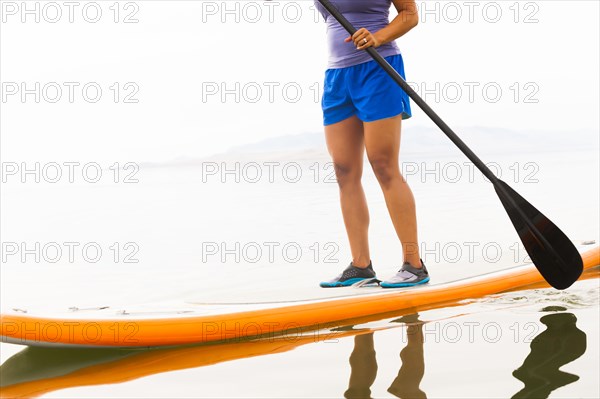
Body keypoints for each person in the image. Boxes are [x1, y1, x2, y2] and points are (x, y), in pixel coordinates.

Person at [315, 0, 429, 288]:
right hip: (337, 76)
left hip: (378, 68)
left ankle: (414, 265)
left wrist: (378, 37)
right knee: (344, 171)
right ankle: (360, 265)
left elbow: (410, 14)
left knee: (383, 165)